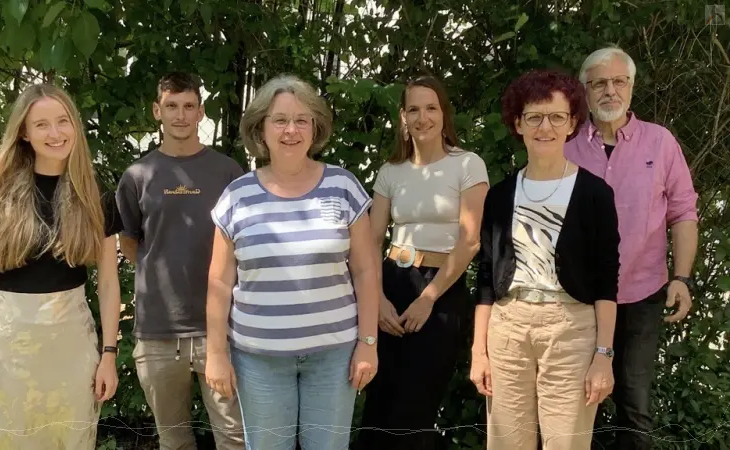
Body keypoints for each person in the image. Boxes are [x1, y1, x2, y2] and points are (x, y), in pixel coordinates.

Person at [204, 74, 380, 450]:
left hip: (334, 357)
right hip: (258, 360)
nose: (291, 130)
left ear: (315, 128)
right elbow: (219, 284)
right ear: (260, 129)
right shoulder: (237, 196)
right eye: (279, 120)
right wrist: (217, 354)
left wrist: (368, 342)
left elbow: (366, 272)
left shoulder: (344, 187)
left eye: (302, 120)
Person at [0, 83, 122, 449]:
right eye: (42, 124)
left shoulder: (95, 192)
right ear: (24, 133)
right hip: (7, 348)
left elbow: (109, 282)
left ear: (75, 127)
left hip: (72, 345)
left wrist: (109, 355)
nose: (55, 133)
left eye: (63, 121)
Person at [472, 69, 620, 450]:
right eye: (534, 116)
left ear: (572, 123)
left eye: (557, 116)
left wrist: (603, 355)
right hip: (508, 329)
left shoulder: (594, 194)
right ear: (518, 123)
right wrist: (479, 351)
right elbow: (486, 278)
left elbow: (606, 280)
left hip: (570, 330)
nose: (545, 127)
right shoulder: (501, 194)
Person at [565, 47, 699, 449]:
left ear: (631, 86)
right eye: (600, 83)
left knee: (634, 404)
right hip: (578, 297)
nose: (610, 91)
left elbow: (684, 212)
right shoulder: (565, 144)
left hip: (642, 293)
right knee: (572, 403)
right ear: (584, 91)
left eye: (619, 81)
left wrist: (682, 277)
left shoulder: (660, 143)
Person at [355, 75, 489, 450]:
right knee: (378, 406)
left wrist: (428, 298)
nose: (422, 117)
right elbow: (371, 239)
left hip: (441, 291)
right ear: (403, 117)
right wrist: (377, 298)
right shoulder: (391, 171)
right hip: (391, 285)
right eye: (413, 109)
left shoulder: (468, 165)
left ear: (444, 115)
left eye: (431, 108)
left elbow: (470, 240)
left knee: (414, 412)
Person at [115, 72, 246, 450]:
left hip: (219, 328)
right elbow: (129, 242)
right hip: (158, 330)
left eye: (189, 106)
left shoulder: (228, 172)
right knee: (173, 440)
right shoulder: (138, 175)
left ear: (201, 112)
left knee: (234, 436)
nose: (180, 115)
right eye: (171, 106)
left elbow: (242, 242)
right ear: (157, 110)